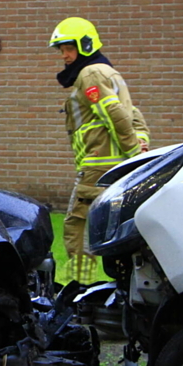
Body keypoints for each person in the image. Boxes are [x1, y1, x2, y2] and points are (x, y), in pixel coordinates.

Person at [50, 17, 143, 285]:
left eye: (70, 48)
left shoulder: (90, 74)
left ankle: (80, 287)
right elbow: (134, 115)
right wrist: (139, 149)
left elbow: (114, 115)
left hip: (97, 168)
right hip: (111, 166)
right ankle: (122, 284)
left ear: (86, 45)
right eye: (62, 50)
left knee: (77, 228)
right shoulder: (108, 72)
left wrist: (135, 154)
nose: (65, 56)